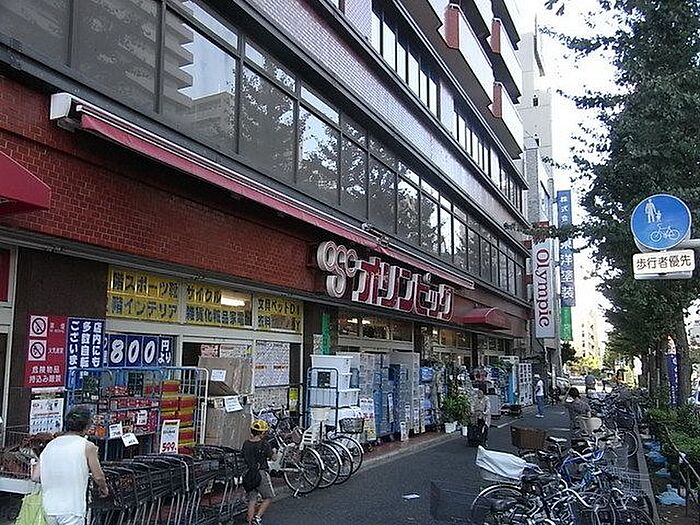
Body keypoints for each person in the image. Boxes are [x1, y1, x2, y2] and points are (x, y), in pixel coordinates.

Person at [36, 407, 108, 525]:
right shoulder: (87, 446)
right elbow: (98, 476)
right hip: (72, 509)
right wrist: (104, 488)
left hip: (49, 508)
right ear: (86, 427)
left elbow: (35, 476)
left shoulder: (50, 445)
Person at [243, 420, 275, 525]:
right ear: (262, 433)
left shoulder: (246, 443)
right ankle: (257, 518)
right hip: (261, 474)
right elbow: (274, 458)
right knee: (268, 497)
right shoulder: (264, 444)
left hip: (249, 474)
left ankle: (250, 520)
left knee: (252, 499)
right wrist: (274, 452)